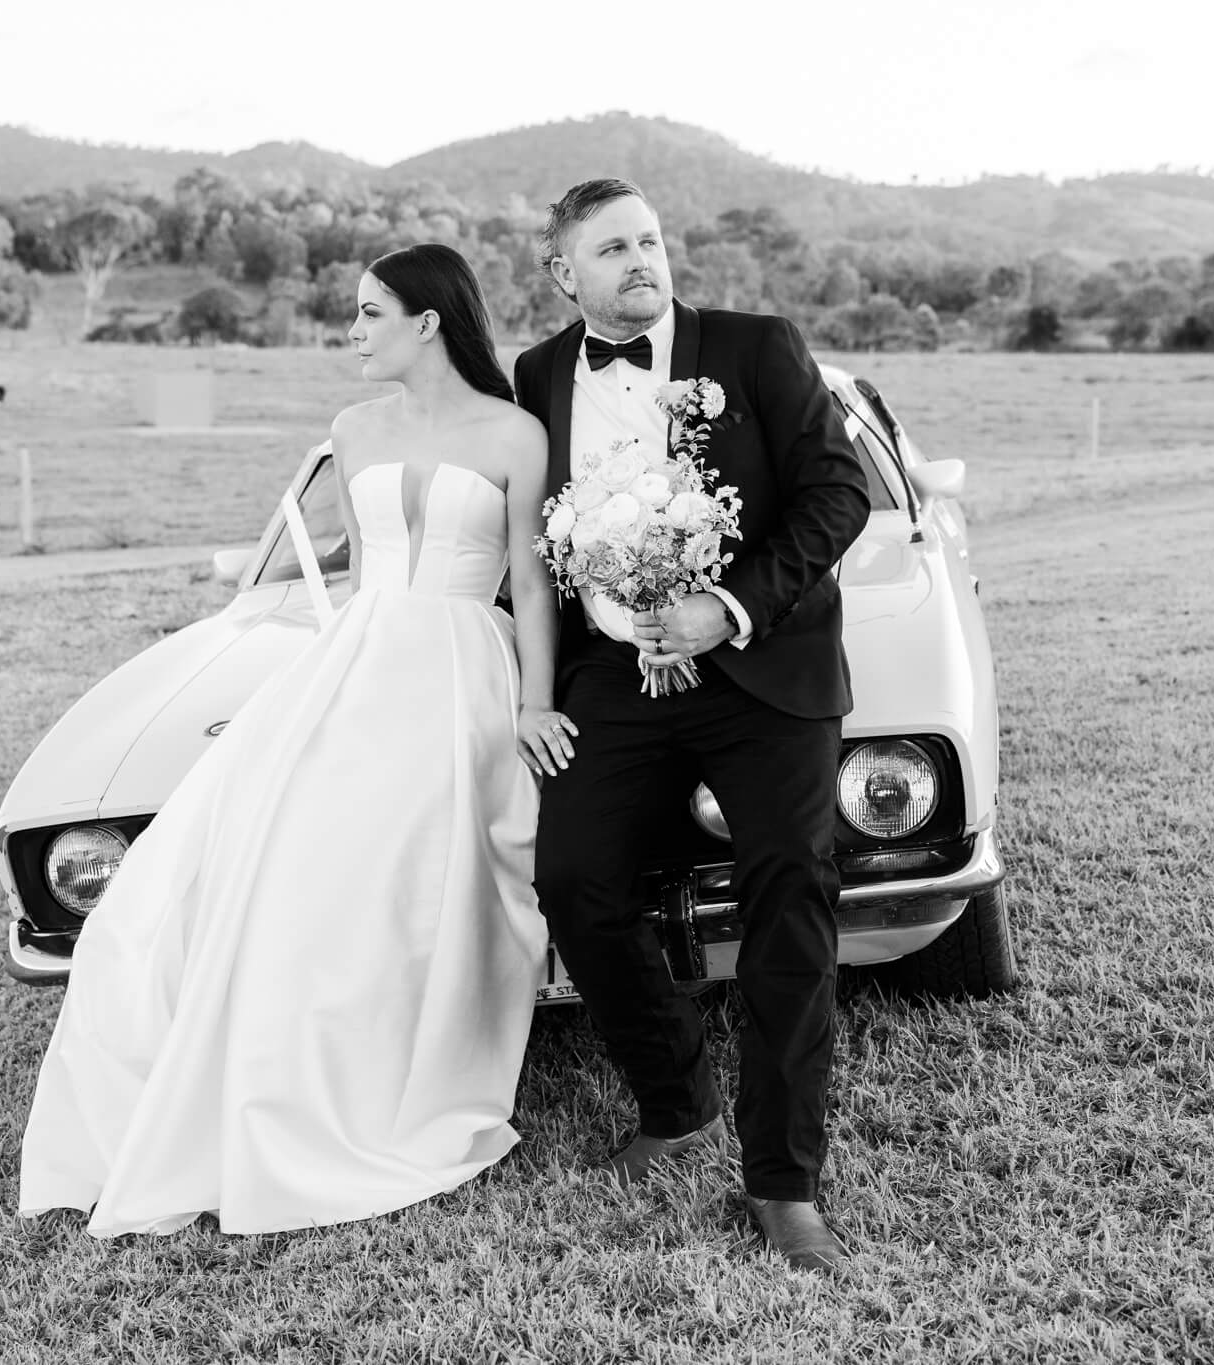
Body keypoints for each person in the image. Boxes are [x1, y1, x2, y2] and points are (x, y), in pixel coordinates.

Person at [19, 243, 577, 1237]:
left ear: (426, 323)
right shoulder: (351, 429)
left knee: (420, 868)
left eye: (368, 315)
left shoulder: (512, 434)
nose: (351, 333)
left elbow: (528, 582)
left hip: (461, 668)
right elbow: (364, 577)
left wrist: (535, 704)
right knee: (295, 861)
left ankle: (408, 1064)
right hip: (359, 662)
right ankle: (279, 1067)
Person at [511, 179, 872, 1273]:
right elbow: (530, 543)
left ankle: (782, 1182)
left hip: (759, 667)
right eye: (611, 248)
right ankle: (676, 1101)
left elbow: (834, 496)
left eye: (650, 242)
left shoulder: (755, 349)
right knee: (574, 878)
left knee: (788, 894)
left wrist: (724, 609)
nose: (639, 261)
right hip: (615, 683)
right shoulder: (534, 380)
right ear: (561, 272)